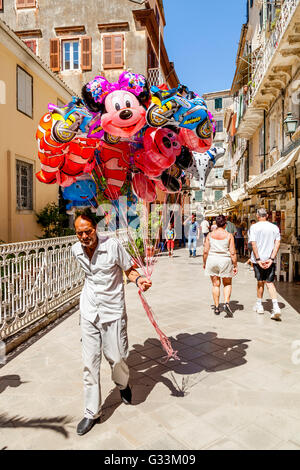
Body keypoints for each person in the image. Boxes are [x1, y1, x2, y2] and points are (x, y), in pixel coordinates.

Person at [72, 210, 152, 436]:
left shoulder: (113, 245)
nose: (84, 236)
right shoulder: (75, 250)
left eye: (87, 231)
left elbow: (129, 269)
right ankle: (91, 412)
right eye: (80, 233)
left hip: (112, 310)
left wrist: (140, 280)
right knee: (89, 364)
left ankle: (123, 384)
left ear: (95, 229)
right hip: (88, 311)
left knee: (117, 358)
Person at [249, 208, 281, 320]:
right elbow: (277, 243)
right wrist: (272, 258)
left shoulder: (254, 227)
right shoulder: (274, 227)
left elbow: (253, 244)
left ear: (258, 216)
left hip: (259, 260)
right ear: (267, 215)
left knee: (260, 282)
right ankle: (276, 307)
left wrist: (258, 259)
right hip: (269, 259)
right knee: (270, 283)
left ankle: (259, 305)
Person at [203, 214, 238, 317]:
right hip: (225, 260)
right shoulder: (229, 235)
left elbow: (205, 251)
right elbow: (232, 252)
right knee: (227, 283)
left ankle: (217, 307)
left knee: (215, 284)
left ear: (216, 224)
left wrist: (205, 263)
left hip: (212, 260)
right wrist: (235, 265)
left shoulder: (210, 235)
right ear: (225, 224)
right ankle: (226, 303)